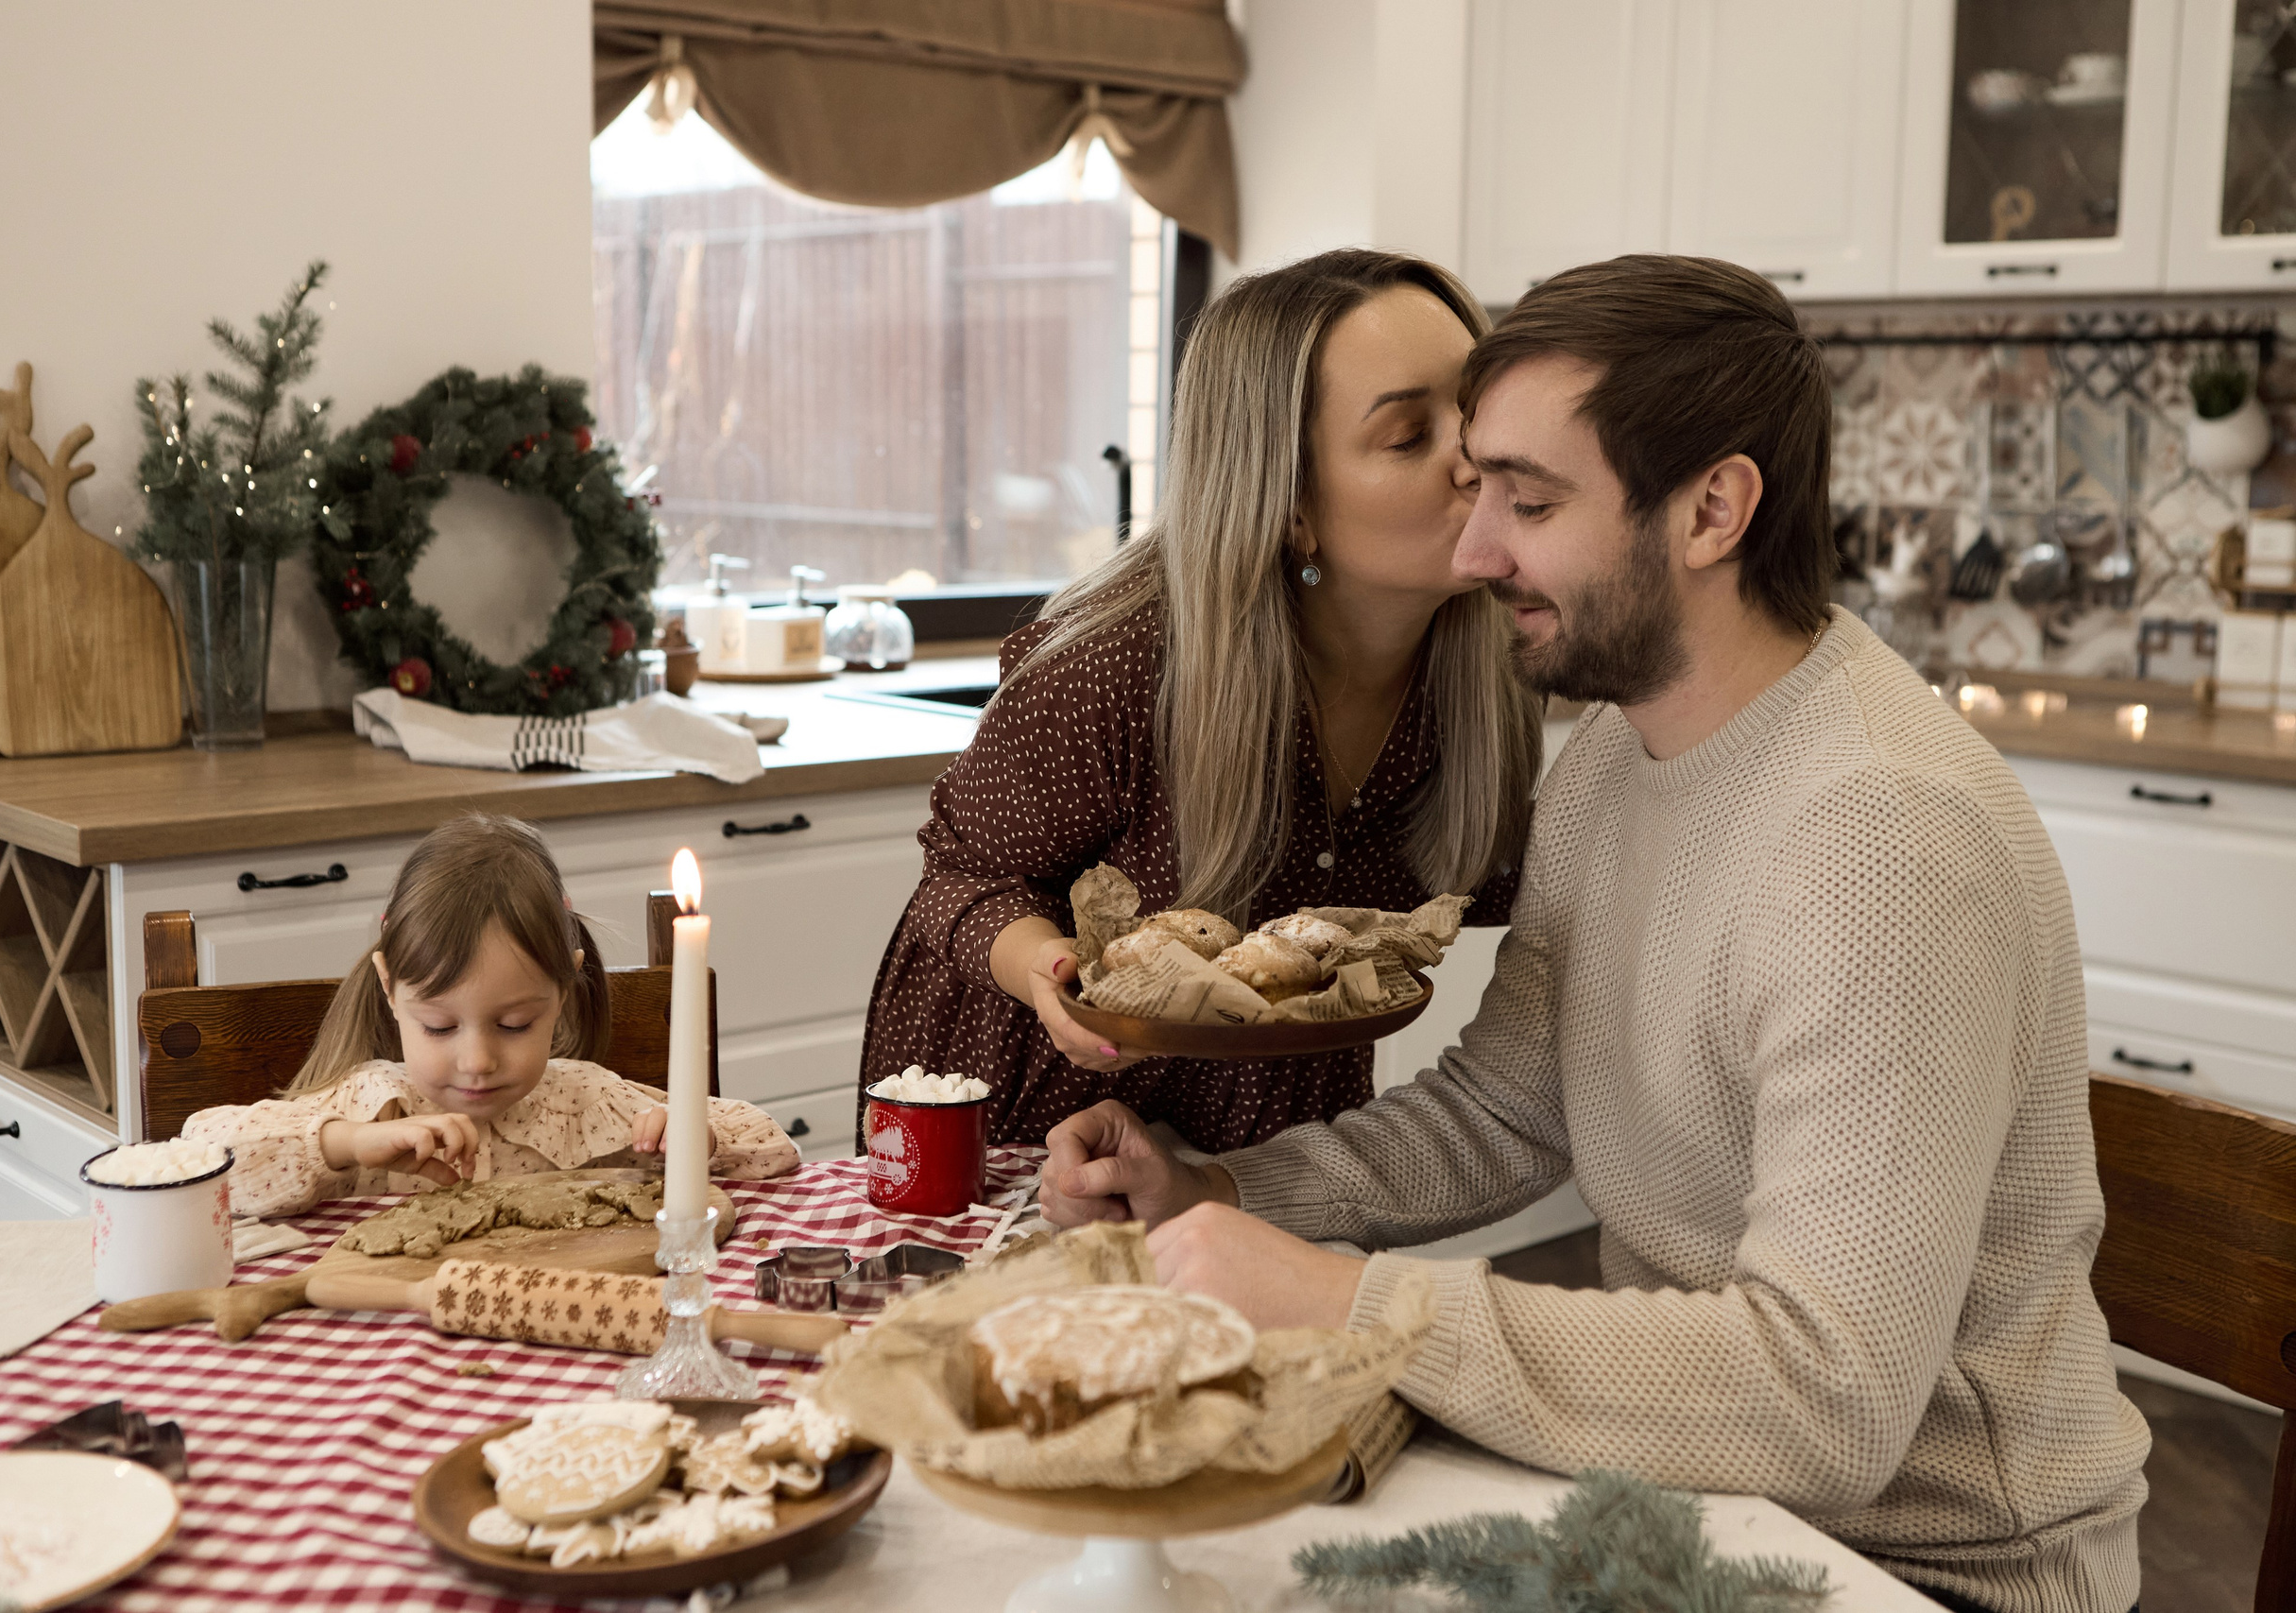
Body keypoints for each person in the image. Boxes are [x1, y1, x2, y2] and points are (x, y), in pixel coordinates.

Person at [1038, 256, 2149, 1612]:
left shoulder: (1880, 836)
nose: (1473, 549)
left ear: (1713, 509)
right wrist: (1228, 1195)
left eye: (1532, 500)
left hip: (1923, 1569)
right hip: (1692, 1505)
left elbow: (1827, 1400)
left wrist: (1348, 1302)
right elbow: (1507, 1106)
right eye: (1477, 484)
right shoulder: (1615, 760)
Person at [862, 249, 1542, 1152]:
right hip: (1036, 1123)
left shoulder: (1499, 664)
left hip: (1276, 1143)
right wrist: (1047, 969)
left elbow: (1516, 878)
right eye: (1410, 436)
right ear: (1289, 500)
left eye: (1475, 411)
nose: (1475, 460)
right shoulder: (1114, 669)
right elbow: (960, 876)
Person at [184, 815, 797, 1216]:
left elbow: (772, 1146)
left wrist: (696, 1133)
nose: (477, 1060)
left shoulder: (586, 1100)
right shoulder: (372, 1103)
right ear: (390, 989)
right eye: (440, 1026)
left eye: (513, 1025)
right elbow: (197, 1157)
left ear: (564, 989)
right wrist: (347, 1144)